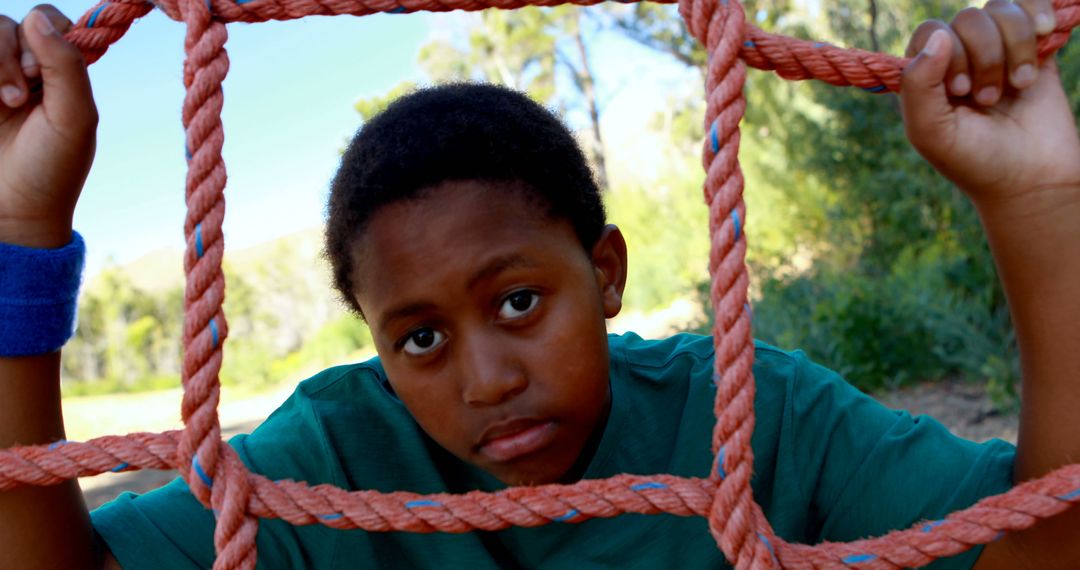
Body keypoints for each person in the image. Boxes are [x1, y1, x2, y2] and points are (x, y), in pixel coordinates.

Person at [1, 0, 1078, 567]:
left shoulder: (755, 421)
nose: (485, 379)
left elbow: (1051, 542)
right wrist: (17, 231)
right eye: (417, 337)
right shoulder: (332, 459)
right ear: (374, 344)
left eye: (517, 301)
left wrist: (1040, 208)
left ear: (604, 272)